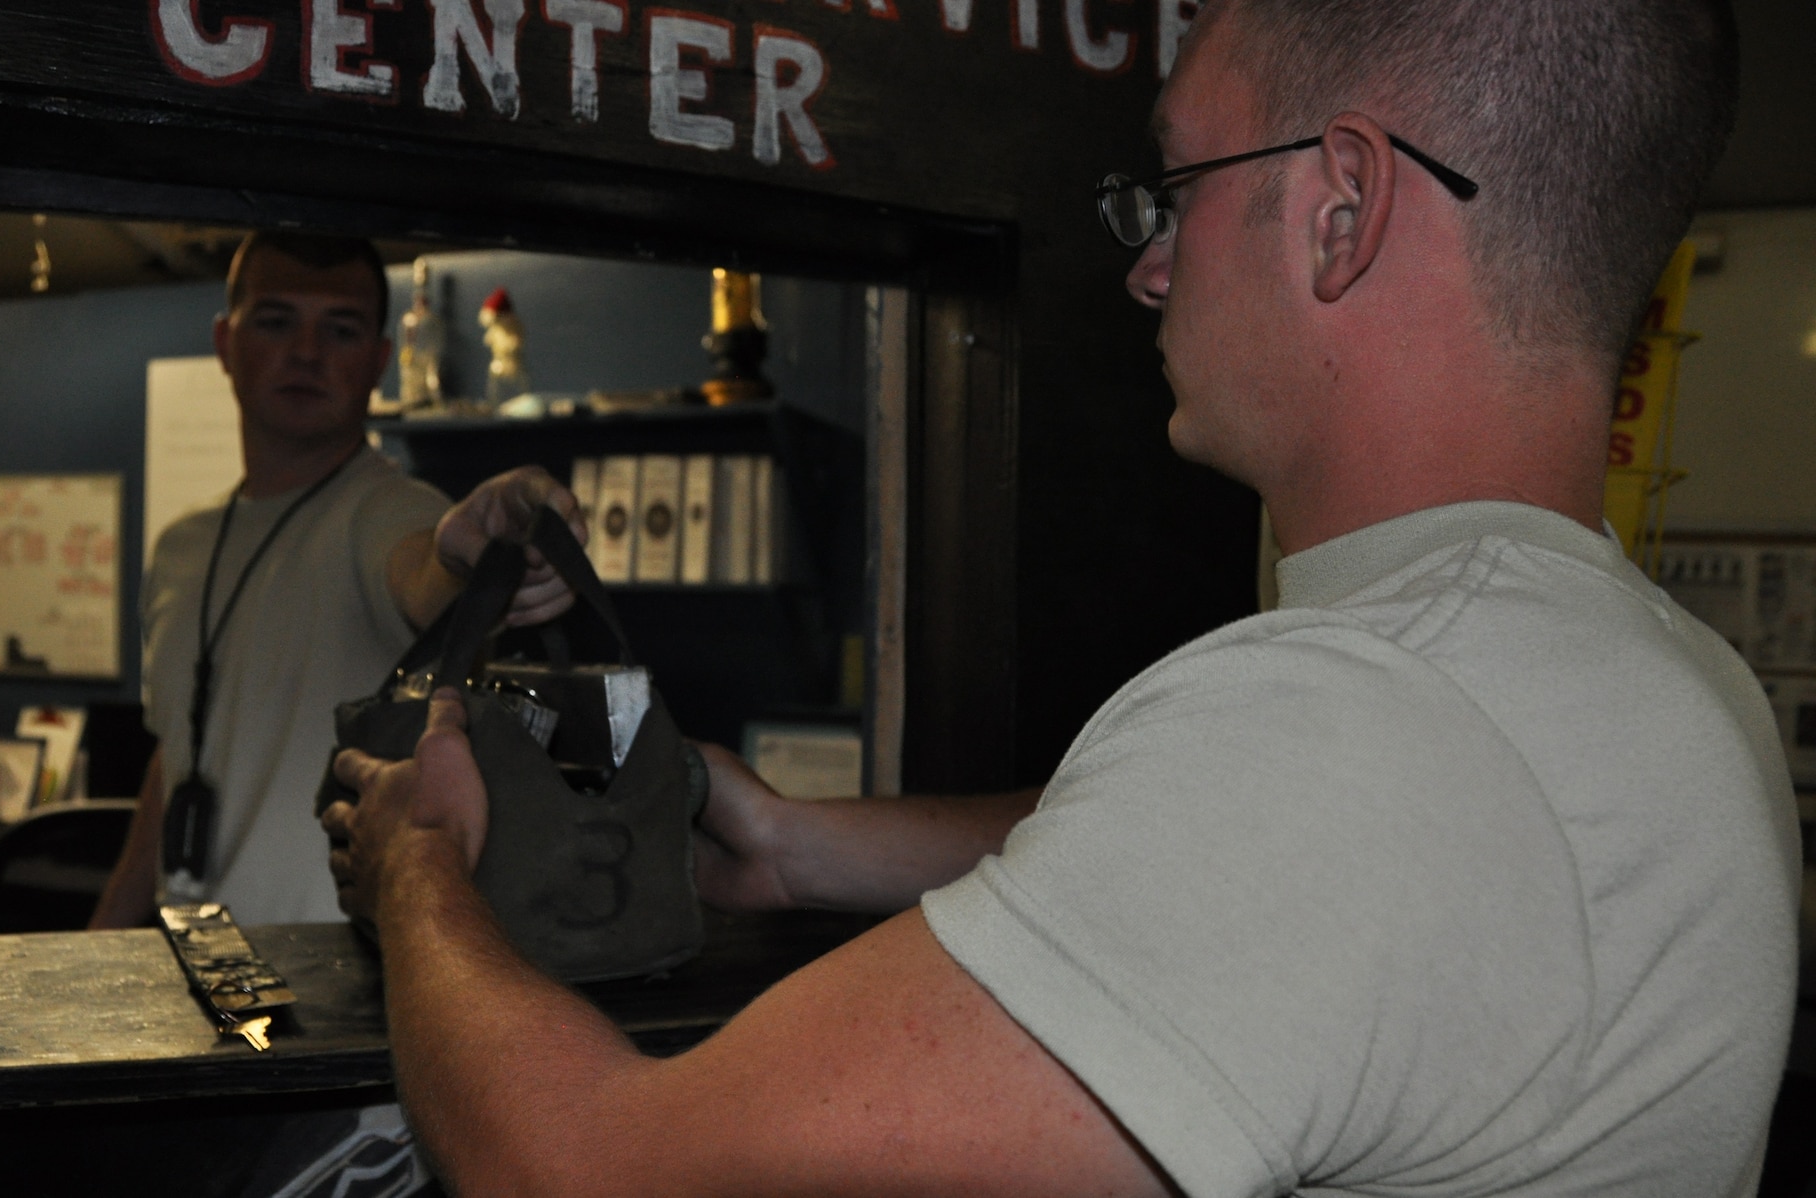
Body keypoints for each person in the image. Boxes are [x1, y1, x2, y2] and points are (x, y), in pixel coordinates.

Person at [320, 0, 1801, 1193]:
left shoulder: (1365, 727)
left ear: (1343, 207)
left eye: (1179, 188)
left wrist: (421, 859)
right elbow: (1246, 860)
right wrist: (796, 843)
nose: (1151, 266)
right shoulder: (1659, 675)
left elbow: (588, 1167)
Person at [90, 231, 584, 929]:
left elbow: (425, 572)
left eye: (341, 328)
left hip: (339, 986)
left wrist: (470, 558)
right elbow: (179, 753)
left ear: (379, 361)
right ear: (226, 344)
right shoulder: (182, 546)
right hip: (197, 969)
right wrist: (104, 931)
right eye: (276, 320)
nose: (307, 352)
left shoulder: (390, 510)